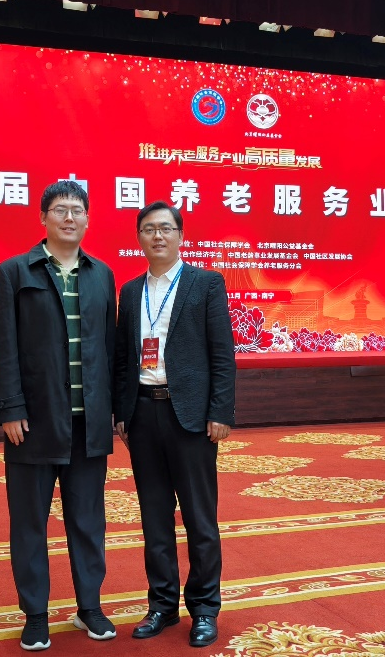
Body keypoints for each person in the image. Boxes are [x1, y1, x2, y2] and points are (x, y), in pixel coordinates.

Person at [0, 180, 118, 651]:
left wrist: (114, 412)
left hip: (88, 426)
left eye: (77, 210)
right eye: (60, 210)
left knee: (88, 521)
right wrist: (10, 409)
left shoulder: (101, 275)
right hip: (33, 425)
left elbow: (109, 351)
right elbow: (3, 348)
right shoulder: (13, 273)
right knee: (29, 524)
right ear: (43, 218)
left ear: (88, 219)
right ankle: (36, 614)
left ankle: (89, 607)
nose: (69, 218)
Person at [113, 201, 237, 648]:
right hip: (143, 414)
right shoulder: (131, 292)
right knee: (154, 518)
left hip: (192, 418)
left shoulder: (206, 283)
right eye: (149, 229)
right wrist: (121, 412)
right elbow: (123, 358)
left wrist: (220, 412)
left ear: (181, 236)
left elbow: (222, 354)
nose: (158, 236)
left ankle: (204, 609)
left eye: (166, 228)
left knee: (200, 518)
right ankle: (162, 605)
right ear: (139, 238)